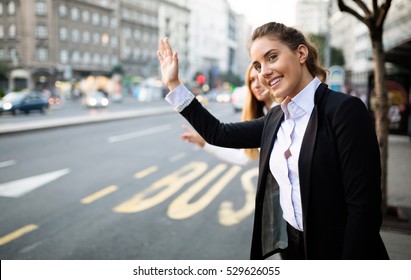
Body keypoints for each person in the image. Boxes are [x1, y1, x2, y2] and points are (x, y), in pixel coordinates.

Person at [157, 22, 389, 260]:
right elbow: (219, 133)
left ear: (301, 53)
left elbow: (364, 210)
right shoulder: (276, 117)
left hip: (339, 251)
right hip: (293, 248)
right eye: (257, 65)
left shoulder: (344, 111)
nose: (263, 71)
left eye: (272, 57)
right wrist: (175, 85)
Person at [181, 63, 276, 166]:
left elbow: (219, 133)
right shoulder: (262, 114)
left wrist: (176, 87)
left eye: (259, 78)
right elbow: (243, 158)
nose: (256, 85)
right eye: (252, 80)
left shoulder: (282, 113)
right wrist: (202, 142)